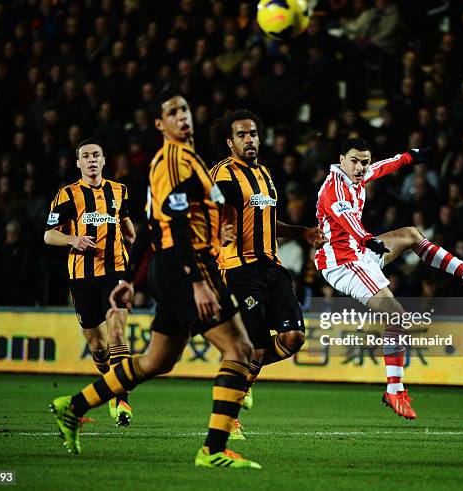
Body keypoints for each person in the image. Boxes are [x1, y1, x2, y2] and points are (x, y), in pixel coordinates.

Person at [49, 90, 261, 469]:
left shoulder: (189, 161)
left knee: (157, 360)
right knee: (240, 351)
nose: (182, 116)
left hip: (178, 265)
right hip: (187, 267)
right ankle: (213, 450)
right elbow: (175, 221)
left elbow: (150, 224)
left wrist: (130, 277)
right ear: (160, 125)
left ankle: (73, 406)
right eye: (172, 112)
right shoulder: (171, 161)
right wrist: (196, 280)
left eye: (185, 108)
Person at [315, 137, 463, 419]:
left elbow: (382, 167)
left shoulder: (357, 175)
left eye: (364, 161)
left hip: (360, 252)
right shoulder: (335, 189)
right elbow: (348, 221)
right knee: (397, 318)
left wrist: (409, 156)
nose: (361, 167)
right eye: (354, 161)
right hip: (344, 262)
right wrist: (367, 239)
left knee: (412, 234)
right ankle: (394, 389)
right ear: (341, 161)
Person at [209, 109, 327, 438]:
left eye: (254, 134)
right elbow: (216, 212)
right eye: (242, 135)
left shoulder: (264, 174)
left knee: (293, 339)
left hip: (272, 267)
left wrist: (302, 231)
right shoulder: (222, 174)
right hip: (239, 269)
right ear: (230, 142)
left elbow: (265, 223)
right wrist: (222, 230)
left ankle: (242, 382)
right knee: (251, 349)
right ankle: (228, 414)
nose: (250, 140)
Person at [44, 138, 136, 426]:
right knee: (97, 345)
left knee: (117, 333)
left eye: (96, 155)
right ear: (78, 163)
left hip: (115, 271)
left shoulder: (120, 191)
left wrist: (127, 254)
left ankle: (121, 399)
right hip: (82, 277)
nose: (92, 159)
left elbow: (130, 231)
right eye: (86, 156)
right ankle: (109, 382)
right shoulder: (67, 195)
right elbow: (49, 235)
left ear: (104, 160)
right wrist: (73, 239)